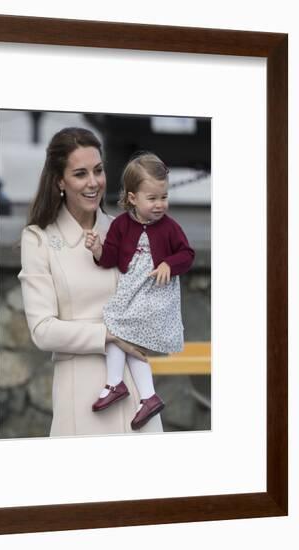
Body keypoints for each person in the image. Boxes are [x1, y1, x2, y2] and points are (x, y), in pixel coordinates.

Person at [18, 128, 163, 436]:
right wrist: (110, 335)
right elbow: (43, 330)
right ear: (60, 181)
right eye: (80, 174)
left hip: (139, 398)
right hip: (82, 400)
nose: (93, 182)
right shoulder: (38, 239)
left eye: (98, 171)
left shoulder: (128, 229)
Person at [84, 152, 195, 430]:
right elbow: (109, 258)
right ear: (133, 198)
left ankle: (115, 383)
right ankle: (147, 396)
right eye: (153, 198)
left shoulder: (170, 228)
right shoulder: (122, 225)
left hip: (155, 297)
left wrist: (170, 262)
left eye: (164, 197)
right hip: (132, 295)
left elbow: (187, 254)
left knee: (116, 328)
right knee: (122, 336)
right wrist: (97, 248)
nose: (160, 205)